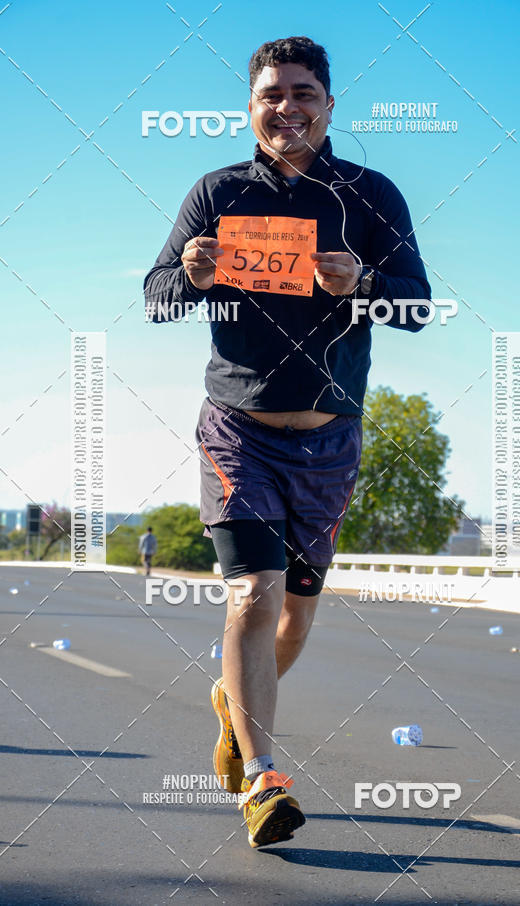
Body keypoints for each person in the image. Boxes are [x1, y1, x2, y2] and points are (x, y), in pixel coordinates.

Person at [144, 35, 431, 848]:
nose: (288, 108)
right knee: (252, 594)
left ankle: (233, 708)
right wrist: (193, 274)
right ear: (252, 107)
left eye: (304, 93)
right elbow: (157, 297)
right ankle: (265, 782)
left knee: (294, 622)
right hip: (238, 434)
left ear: (330, 105)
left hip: (329, 444)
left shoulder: (371, 196)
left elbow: (415, 306)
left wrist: (364, 284)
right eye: (273, 94)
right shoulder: (217, 192)